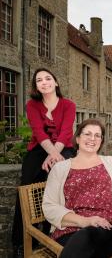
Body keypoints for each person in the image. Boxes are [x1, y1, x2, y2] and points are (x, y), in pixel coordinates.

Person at [42, 119, 112, 258]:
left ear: (101, 140)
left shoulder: (111, 162)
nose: (92, 139)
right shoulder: (59, 168)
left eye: (97, 135)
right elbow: (49, 206)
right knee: (84, 241)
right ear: (78, 138)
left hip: (109, 227)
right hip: (70, 229)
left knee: (87, 237)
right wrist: (85, 221)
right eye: (87, 134)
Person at [12, 68, 76, 255]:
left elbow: (65, 132)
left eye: (48, 78)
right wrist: (52, 154)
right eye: (39, 80)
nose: (44, 82)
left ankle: (52, 235)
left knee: (59, 188)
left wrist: (54, 155)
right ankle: (20, 242)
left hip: (64, 148)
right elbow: (38, 132)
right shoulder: (32, 105)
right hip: (39, 149)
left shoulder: (69, 105)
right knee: (25, 188)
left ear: (56, 82)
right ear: (36, 86)